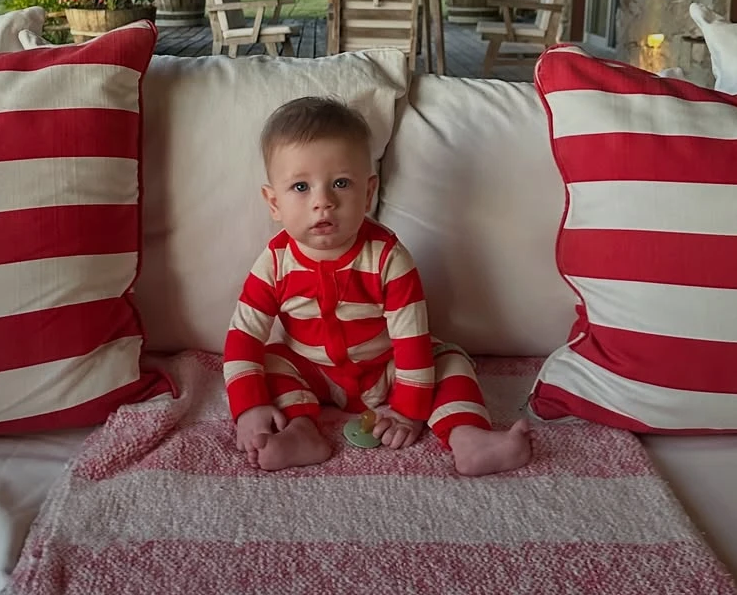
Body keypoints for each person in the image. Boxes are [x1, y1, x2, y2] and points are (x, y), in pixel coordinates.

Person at [223, 95, 533, 475]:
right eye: (301, 187)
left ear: (368, 193)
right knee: (269, 359)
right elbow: (242, 336)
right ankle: (302, 431)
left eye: (340, 183)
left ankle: (468, 437)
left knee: (448, 359)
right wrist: (249, 406)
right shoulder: (274, 263)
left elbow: (411, 340)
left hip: (387, 370)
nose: (323, 202)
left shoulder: (388, 259)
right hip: (313, 373)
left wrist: (408, 410)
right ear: (273, 203)